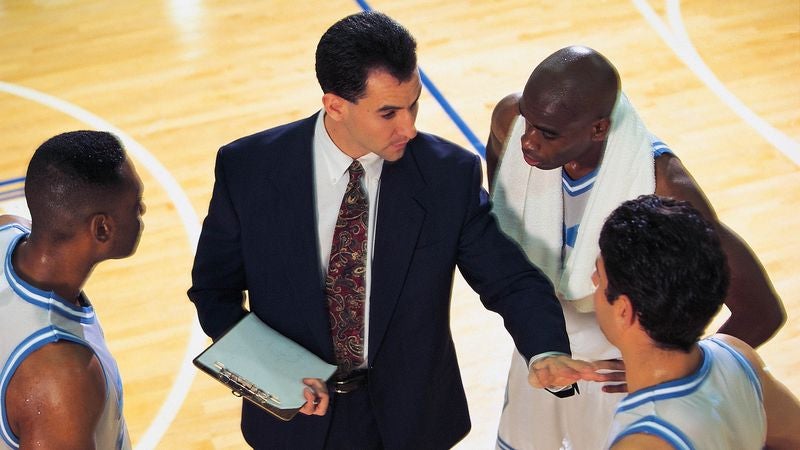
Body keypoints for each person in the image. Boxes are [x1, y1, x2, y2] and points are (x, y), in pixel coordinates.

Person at [188, 12, 617, 450]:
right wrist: (272, 370)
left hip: (411, 422)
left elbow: (509, 279)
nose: (408, 127)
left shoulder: (447, 176)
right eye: (388, 112)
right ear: (335, 105)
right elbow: (213, 293)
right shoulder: (249, 169)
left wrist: (545, 348)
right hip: (294, 426)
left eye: (413, 104)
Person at [488, 45, 786, 450]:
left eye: (548, 133)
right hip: (543, 345)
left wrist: (663, 366)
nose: (528, 143)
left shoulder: (663, 187)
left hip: (613, 370)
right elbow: (503, 212)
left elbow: (761, 309)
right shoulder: (511, 122)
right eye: (529, 121)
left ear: (598, 129)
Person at [596, 195, 800, 449]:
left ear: (624, 310)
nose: (594, 281)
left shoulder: (645, 441)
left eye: (600, 277)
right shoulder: (736, 354)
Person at [0, 130, 145, 449]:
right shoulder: (62, 382)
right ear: (102, 228)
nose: (143, 211)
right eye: (135, 205)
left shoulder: (6, 228)